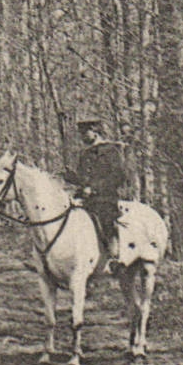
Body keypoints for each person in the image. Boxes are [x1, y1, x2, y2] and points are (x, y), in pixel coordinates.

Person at [65, 113, 129, 265]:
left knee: (106, 221)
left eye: (85, 133)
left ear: (95, 131)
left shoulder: (111, 151)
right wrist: (70, 177)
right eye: (81, 133)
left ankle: (114, 257)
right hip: (86, 199)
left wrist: (94, 188)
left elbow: (119, 176)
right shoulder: (84, 154)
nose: (82, 137)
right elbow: (82, 179)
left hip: (105, 198)